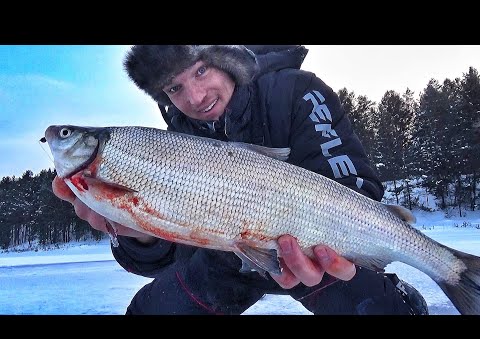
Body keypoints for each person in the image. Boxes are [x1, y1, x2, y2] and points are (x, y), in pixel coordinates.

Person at [52, 45, 429, 315]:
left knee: (374, 308)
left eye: (200, 71)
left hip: (317, 251)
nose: (196, 97)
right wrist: (140, 235)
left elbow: (355, 189)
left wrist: (336, 242)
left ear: (227, 57)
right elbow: (170, 256)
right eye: (174, 88)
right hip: (230, 260)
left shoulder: (295, 91)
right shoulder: (170, 144)